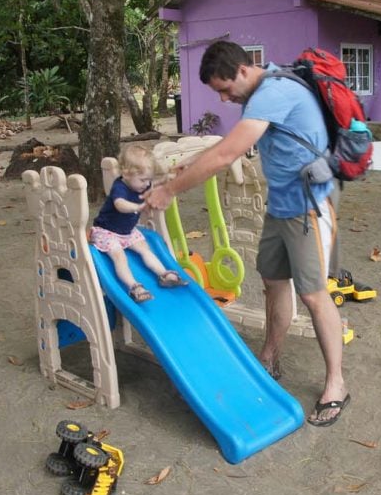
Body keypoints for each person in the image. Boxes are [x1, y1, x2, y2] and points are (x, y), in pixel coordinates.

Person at [143, 40, 350, 428]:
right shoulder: (258, 93)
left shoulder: (275, 91)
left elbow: (227, 154)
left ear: (242, 70)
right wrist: (185, 161)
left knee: (313, 294)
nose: (223, 99)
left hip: (310, 205)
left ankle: (336, 384)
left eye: (224, 88)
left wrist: (169, 190)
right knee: (273, 281)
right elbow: (229, 144)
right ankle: (269, 357)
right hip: (281, 205)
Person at [90, 144, 187, 304]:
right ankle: (134, 286)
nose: (146, 184)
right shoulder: (119, 186)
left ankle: (164, 274)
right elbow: (119, 204)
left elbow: (156, 183)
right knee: (119, 256)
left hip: (127, 231)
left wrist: (170, 178)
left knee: (145, 250)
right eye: (142, 180)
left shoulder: (144, 183)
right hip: (106, 231)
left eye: (148, 179)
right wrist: (137, 207)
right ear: (126, 174)